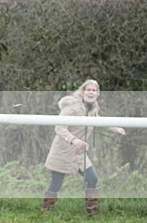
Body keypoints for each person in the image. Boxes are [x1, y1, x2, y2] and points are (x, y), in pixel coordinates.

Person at [42, 79, 126, 214]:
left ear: (98, 94)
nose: (91, 92)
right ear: (82, 92)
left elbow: (98, 120)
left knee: (92, 178)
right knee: (56, 183)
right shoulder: (71, 107)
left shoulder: (93, 107)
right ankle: (46, 212)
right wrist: (74, 140)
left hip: (79, 152)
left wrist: (116, 129)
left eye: (94, 90)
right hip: (63, 150)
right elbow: (59, 127)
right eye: (88, 90)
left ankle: (92, 212)